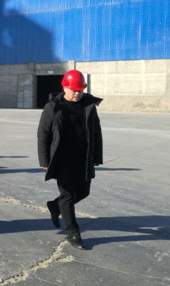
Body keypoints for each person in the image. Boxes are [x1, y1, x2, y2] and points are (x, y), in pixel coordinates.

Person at [37, 70, 103, 250]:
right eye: (73, 90)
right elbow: (43, 134)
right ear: (64, 87)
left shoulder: (89, 105)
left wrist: (97, 156)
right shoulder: (53, 106)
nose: (76, 93)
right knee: (67, 196)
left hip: (84, 157)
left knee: (83, 192)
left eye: (80, 90)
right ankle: (73, 233)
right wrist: (44, 159)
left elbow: (96, 132)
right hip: (62, 158)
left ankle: (55, 206)